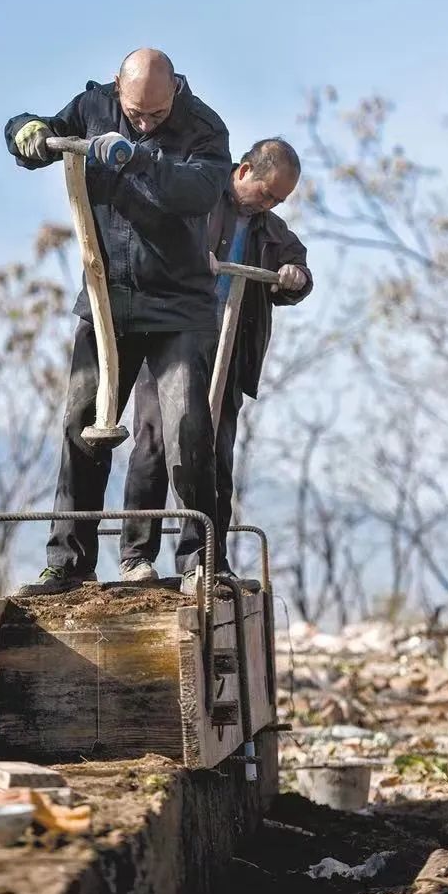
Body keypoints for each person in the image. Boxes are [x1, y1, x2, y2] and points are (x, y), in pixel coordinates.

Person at [5, 48, 232, 595]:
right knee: (82, 426)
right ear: (117, 88)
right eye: (136, 113)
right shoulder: (93, 106)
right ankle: (69, 562)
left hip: (179, 306)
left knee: (186, 431)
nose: (145, 121)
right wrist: (25, 132)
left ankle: (204, 560)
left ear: (175, 88)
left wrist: (139, 157)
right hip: (108, 301)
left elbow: (196, 192)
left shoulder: (204, 128)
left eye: (155, 114)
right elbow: (38, 134)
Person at [120, 137, 312, 579]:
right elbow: (149, 241)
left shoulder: (271, 230)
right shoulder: (199, 194)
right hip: (170, 342)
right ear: (244, 171)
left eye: (278, 200)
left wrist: (294, 277)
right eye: (266, 193)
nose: (268, 205)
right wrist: (188, 259)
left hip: (229, 353)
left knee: (215, 455)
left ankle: (202, 561)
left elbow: (299, 270)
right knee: (155, 444)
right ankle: (136, 558)